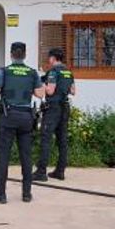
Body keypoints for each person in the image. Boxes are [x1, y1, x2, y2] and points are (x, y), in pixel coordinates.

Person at [0, 42, 44, 204]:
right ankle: (26, 194)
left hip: (8, 116)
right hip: (26, 118)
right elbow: (40, 94)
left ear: (11, 54)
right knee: (26, 156)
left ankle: (0, 194)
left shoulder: (4, 71)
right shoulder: (32, 73)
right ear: (24, 55)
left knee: (4, 156)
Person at [33, 48, 76, 182]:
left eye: (49, 57)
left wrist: (41, 85)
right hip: (65, 107)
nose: (48, 60)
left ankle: (41, 171)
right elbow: (73, 91)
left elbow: (50, 91)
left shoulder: (53, 72)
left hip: (53, 109)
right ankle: (60, 171)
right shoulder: (68, 72)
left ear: (53, 58)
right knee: (62, 140)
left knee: (46, 138)